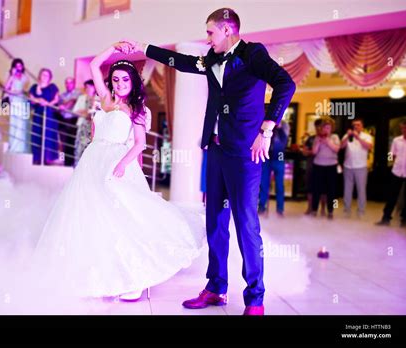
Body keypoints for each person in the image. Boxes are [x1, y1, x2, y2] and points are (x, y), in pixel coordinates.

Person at [124, 7, 296, 315]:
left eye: (210, 32)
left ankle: (255, 299)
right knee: (215, 222)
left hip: (245, 152)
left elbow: (286, 84)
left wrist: (267, 129)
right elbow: (184, 63)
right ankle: (216, 288)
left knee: (246, 225)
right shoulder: (212, 58)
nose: (207, 38)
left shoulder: (253, 54)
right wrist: (145, 48)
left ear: (227, 30)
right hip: (215, 150)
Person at [32, 45, 205, 302]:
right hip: (92, 162)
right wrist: (113, 48)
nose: (120, 83)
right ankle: (97, 273)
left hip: (117, 163)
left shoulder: (137, 108)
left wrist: (122, 164)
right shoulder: (105, 99)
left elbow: (140, 144)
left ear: (132, 82)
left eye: (125, 79)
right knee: (92, 217)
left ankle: (135, 277)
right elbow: (93, 66)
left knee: (124, 219)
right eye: (115, 79)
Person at [376, 120, 406, 227]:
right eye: (403, 128)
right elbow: (391, 154)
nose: (405, 130)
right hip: (397, 171)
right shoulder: (396, 140)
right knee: (391, 196)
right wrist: (391, 162)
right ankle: (386, 218)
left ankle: (404, 219)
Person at [341, 118, 373, 217]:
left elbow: (369, 146)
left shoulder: (367, 136)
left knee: (361, 190)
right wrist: (348, 137)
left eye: (358, 125)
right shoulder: (347, 135)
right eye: (354, 125)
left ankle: (361, 211)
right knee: (347, 189)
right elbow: (341, 147)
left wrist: (357, 137)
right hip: (348, 166)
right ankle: (347, 210)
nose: (355, 126)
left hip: (361, 167)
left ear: (362, 126)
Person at [311, 117, 340, 219]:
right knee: (316, 189)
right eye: (325, 127)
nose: (326, 129)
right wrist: (318, 142)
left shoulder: (335, 137)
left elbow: (336, 149)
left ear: (332, 128)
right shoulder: (317, 137)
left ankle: (330, 211)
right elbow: (314, 152)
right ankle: (314, 210)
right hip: (318, 165)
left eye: (329, 127)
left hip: (331, 166)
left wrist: (327, 141)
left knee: (331, 190)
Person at [29, 68, 60, 165]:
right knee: (37, 134)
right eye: (43, 74)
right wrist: (39, 101)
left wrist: (47, 103)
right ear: (39, 76)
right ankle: (37, 158)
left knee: (49, 135)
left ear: (50, 77)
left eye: (47, 75)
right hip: (38, 113)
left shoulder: (53, 87)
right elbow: (31, 99)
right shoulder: (34, 87)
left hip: (50, 114)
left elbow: (56, 99)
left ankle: (49, 158)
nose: (45, 77)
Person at [258, 121, 290, 216]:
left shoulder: (284, 125)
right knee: (264, 184)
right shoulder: (266, 123)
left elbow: (284, 141)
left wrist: (279, 128)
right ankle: (262, 206)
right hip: (266, 158)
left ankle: (280, 209)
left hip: (279, 159)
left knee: (279, 185)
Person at [4, 58, 30, 153]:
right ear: (14, 67)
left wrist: (17, 91)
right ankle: (14, 146)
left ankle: (22, 147)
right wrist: (12, 75)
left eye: (20, 65)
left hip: (23, 101)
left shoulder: (25, 77)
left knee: (22, 123)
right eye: (16, 66)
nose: (19, 67)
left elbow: (25, 89)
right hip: (15, 101)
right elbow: (6, 88)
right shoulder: (12, 76)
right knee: (15, 122)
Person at [72, 79, 100, 166]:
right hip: (83, 126)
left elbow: (95, 113)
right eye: (86, 87)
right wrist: (86, 112)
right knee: (80, 147)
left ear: (94, 87)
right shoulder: (81, 98)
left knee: (90, 149)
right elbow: (75, 111)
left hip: (93, 128)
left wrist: (85, 112)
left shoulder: (98, 99)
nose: (87, 89)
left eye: (89, 87)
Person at [302, 119, 326, 215]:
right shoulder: (310, 139)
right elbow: (304, 152)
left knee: (323, 187)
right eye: (317, 127)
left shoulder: (328, 138)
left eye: (320, 126)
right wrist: (311, 152)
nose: (318, 129)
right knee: (310, 187)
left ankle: (323, 209)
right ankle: (310, 208)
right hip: (311, 164)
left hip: (324, 165)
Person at [57, 77, 81, 166]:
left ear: (74, 84)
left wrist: (65, 106)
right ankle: (66, 162)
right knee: (64, 142)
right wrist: (63, 105)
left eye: (70, 83)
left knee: (72, 141)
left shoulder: (78, 93)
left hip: (73, 120)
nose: (68, 84)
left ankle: (73, 163)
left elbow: (73, 101)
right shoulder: (62, 95)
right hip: (63, 120)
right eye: (66, 83)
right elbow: (58, 106)